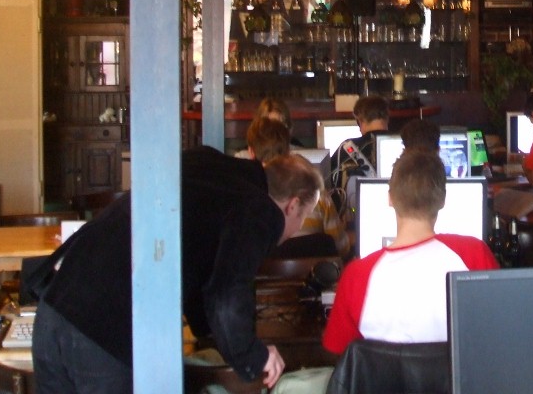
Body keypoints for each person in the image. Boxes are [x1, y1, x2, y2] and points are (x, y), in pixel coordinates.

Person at [30, 148, 323, 393]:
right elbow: (226, 296)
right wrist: (255, 357)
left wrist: (210, 334)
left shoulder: (207, 164)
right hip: (105, 334)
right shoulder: (259, 210)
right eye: (304, 217)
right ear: (292, 205)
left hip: (55, 307)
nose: (297, 229)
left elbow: (198, 263)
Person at [322, 149, 498, 355]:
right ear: (443, 200)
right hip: (459, 376)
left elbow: (338, 352)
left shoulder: (357, 275)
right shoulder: (474, 254)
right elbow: (499, 330)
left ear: (390, 198)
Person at [245, 115, 351, 258]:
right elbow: (341, 248)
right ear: (288, 149)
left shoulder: (245, 199)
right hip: (313, 271)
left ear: (251, 152)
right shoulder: (317, 194)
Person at [331, 95, 389, 209]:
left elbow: (333, 189)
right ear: (387, 118)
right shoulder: (404, 144)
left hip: (355, 214)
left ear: (360, 120)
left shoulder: (346, 148)